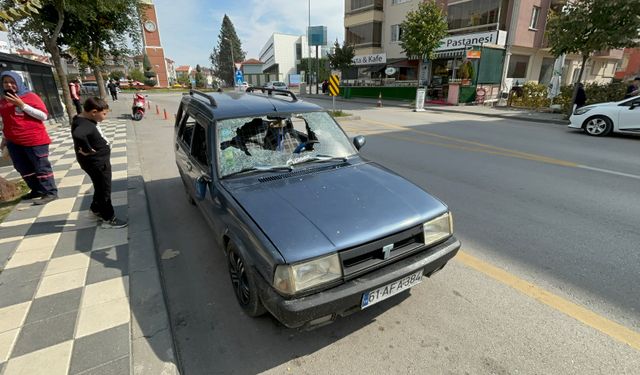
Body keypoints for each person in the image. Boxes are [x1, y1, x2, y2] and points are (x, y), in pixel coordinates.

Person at [0, 71, 58, 204]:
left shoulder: (30, 96)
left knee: (41, 166)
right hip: (13, 141)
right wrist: (4, 138)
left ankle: (50, 192)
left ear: (18, 83)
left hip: (34, 139)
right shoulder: (3, 100)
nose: (9, 85)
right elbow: (7, 121)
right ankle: (36, 189)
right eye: (5, 82)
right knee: (22, 167)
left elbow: (43, 116)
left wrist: (22, 105)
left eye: (12, 82)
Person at [71, 97, 127, 228]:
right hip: (97, 163)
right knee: (104, 190)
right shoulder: (84, 124)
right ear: (94, 112)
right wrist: (88, 150)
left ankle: (95, 210)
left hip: (96, 161)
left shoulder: (83, 119)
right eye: (104, 114)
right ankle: (108, 218)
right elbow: (78, 134)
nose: (105, 117)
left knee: (99, 187)